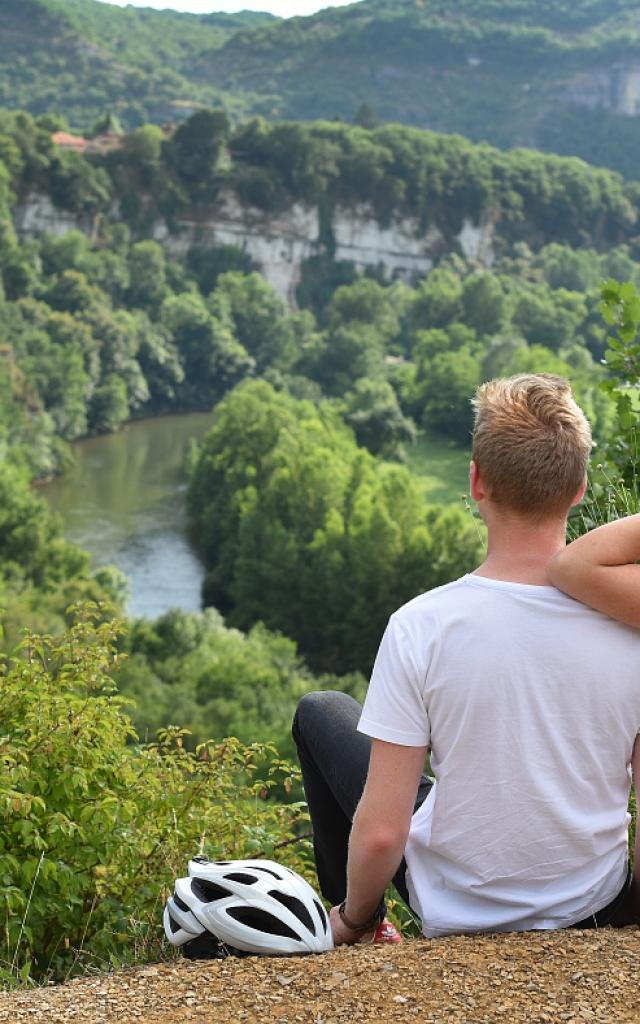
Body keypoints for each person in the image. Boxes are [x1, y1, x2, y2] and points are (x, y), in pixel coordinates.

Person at [292, 373, 640, 945]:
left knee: (321, 710)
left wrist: (354, 917)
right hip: (592, 905)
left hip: (461, 914)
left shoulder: (420, 628)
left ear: (476, 481)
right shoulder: (629, 624)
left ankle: (364, 931)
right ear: (578, 489)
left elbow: (382, 834)